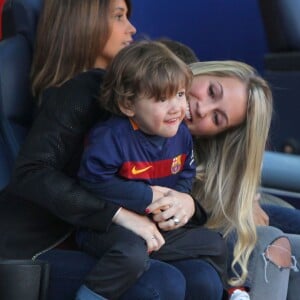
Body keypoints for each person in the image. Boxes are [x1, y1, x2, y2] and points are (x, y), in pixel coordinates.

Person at [0, 1, 224, 300]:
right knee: (161, 283)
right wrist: (117, 214)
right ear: (82, 25)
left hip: (117, 236)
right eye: (119, 16)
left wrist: (185, 201)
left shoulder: (144, 100)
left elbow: (161, 174)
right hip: (47, 242)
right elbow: (32, 174)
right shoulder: (76, 94)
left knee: (204, 278)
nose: (131, 28)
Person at [76, 40, 226, 299]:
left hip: (155, 225)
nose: (177, 108)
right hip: (108, 227)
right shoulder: (112, 137)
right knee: (131, 254)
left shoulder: (180, 134)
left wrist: (176, 200)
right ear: (129, 106)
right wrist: (147, 198)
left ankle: (233, 291)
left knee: (215, 243)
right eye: (161, 99)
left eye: (180, 94)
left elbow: (186, 171)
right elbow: (93, 182)